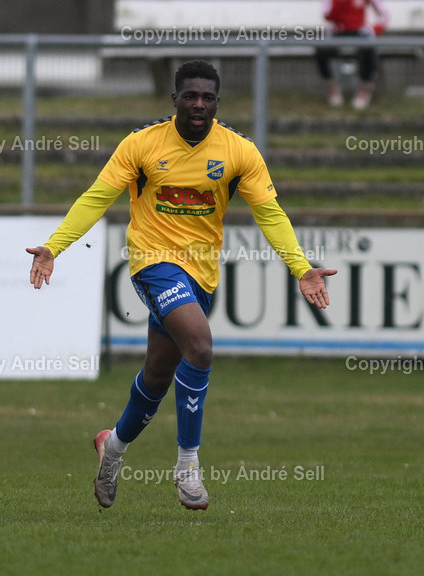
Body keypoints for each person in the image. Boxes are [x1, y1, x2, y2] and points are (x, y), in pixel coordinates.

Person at [26, 60, 337, 510]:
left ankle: (111, 448)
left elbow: (270, 213)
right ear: (173, 99)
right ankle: (188, 465)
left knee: (156, 377)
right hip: (153, 264)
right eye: (190, 95)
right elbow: (97, 197)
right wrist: (55, 246)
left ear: (217, 102)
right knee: (202, 347)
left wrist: (300, 267)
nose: (198, 104)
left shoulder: (239, 151)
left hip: (201, 274)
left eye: (207, 97)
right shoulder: (141, 145)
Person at [315, 0, 389, 109]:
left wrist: (373, 30)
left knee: (369, 49)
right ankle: (332, 86)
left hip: (359, 32)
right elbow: (327, 15)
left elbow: (384, 14)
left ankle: (365, 87)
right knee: (322, 49)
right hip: (338, 32)